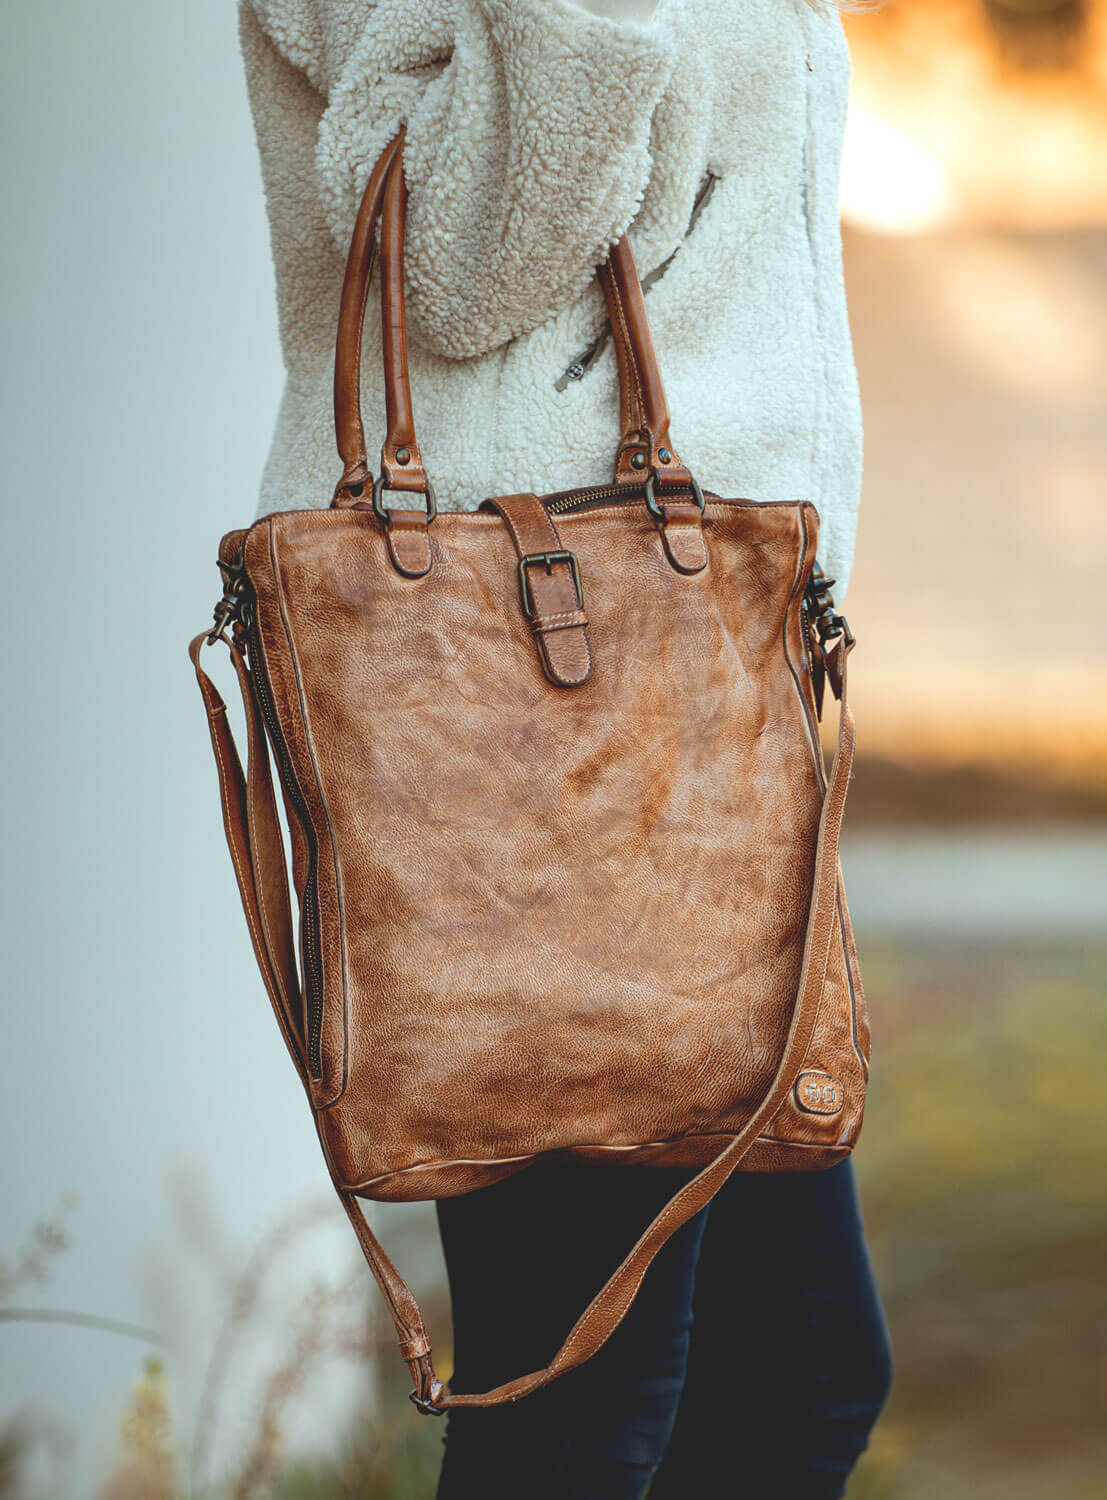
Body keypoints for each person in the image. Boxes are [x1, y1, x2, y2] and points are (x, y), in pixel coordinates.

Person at [240, 0, 891, 1493]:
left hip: (705, 662)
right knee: (593, 1385)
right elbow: (459, 261)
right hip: (523, 689)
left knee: (791, 1374)